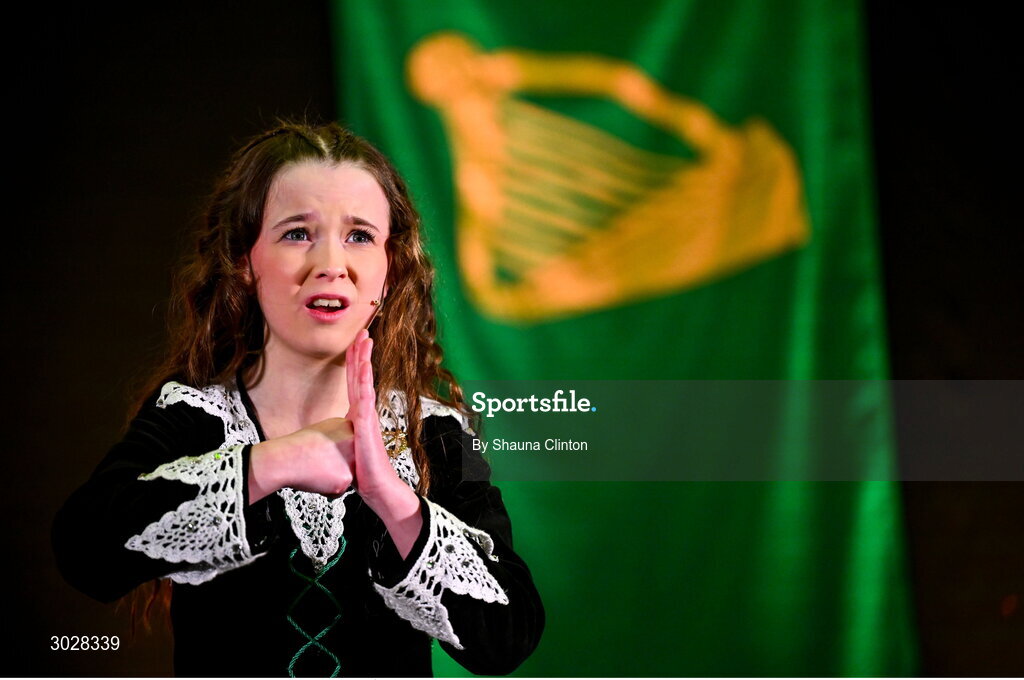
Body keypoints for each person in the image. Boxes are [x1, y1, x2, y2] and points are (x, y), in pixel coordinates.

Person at [52, 121, 545, 677]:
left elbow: (508, 640)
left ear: (390, 271)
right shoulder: (193, 415)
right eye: (297, 234)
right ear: (245, 261)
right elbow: (84, 553)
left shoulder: (434, 432)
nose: (331, 263)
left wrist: (393, 501)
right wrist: (276, 462)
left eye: (360, 236)